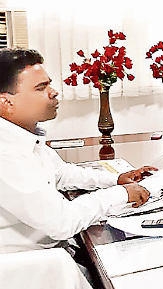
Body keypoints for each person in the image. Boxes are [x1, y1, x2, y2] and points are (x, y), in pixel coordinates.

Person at [0, 48, 153, 254]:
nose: (53, 92)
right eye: (41, 88)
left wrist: (115, 180)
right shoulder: (7, 154)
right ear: (6, 102)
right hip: (38, 262)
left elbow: (61, 173)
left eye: (49, 84)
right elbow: (62, 222)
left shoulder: (22, 136)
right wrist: (122, 194)